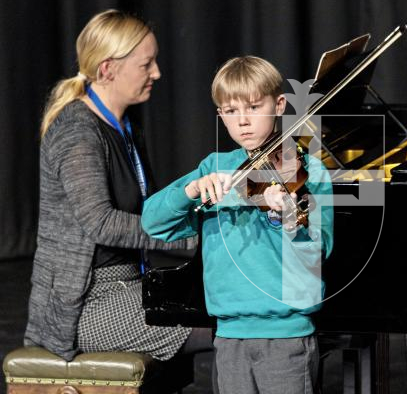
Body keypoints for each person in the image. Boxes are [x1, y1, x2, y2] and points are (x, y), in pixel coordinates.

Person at [24, 9, 212, 362]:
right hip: (86, 304)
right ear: (108, 69)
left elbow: (152, 207)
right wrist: (191, 235)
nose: (157, 72)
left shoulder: (126, 125)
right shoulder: (77, 130)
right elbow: (101, 223)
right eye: (146, 64)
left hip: (132, 284)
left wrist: (207, 211)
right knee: (227, 323)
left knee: (240, 307)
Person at [141, 56, 334, 393]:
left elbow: (319, 249)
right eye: (231, 111)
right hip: (228, 334)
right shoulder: (216, 169)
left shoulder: (309, 171)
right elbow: (153, 222)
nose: (243, 121)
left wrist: (288, 219)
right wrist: (190, 191)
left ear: (279, 105)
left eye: (254, 107)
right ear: (221, 116)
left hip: (286, 336)